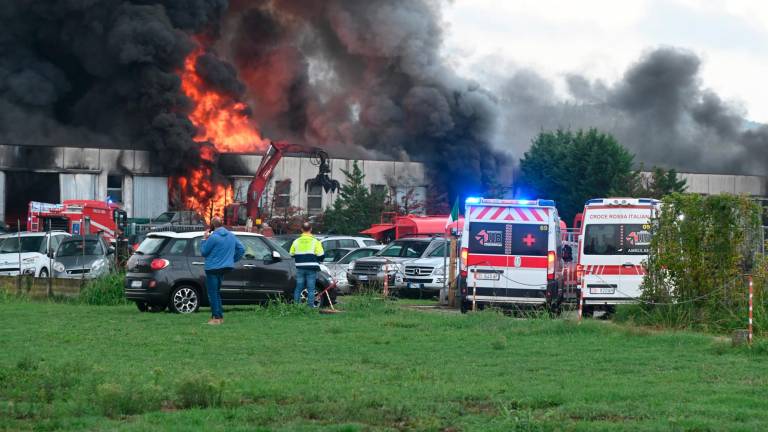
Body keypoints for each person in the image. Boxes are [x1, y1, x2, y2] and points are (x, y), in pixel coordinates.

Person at [200, 216, 245, 325]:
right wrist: (232, 260)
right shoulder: (231, 236)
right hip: (224, 268)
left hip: (212, 268)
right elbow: (242, 249)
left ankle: (216, 318)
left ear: (213, 225)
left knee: (212, 293)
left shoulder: (213, 237)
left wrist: (204, 239)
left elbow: (203, 252)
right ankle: (219, 316)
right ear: (222, 223)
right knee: (216, 292)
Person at [289, 222, 324, 307]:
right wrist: (317, 260)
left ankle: (296, 306)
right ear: (311, 229)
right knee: (311, 289)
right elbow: (321, 255)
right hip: (311, 268)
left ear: (302, 229)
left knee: (298, 288)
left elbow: (291, 253)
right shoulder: (315, 241)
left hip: (300, 267)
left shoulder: (296, 241)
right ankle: (310, 307)